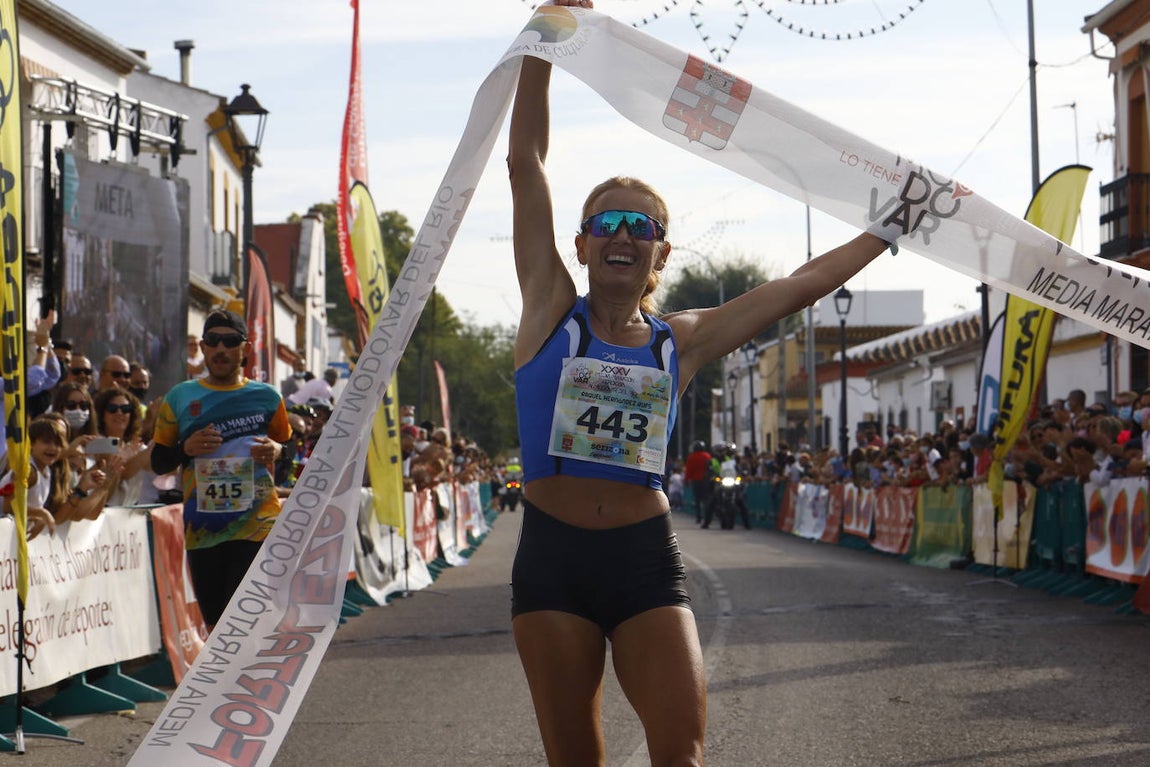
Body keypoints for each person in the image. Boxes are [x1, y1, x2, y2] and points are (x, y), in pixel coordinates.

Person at [505, 5, 891, 761]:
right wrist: (547, 38)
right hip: (552, 559)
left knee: (681, 753)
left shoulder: (679, 340)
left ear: (661, 254)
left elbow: (800, 284)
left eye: (640, 227)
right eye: (607, 222)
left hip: (644, 557)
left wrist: (887, 230)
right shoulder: (549, 310)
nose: (622, 234)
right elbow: (525, 160)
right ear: (581, 244)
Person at [151, 309, 291, 629]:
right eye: (213, 342)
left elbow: (291, 450)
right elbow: (158, 461)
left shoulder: (267, 397)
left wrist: (278, 450)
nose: (221, 350)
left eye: (230, 342)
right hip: (204, 530)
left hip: (256, 525)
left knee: (244, 623)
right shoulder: (181, 396)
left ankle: (252, 678)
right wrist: (185, 449)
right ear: (202, 347)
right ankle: (233, 680)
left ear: (246, 348)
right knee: (217, 628)